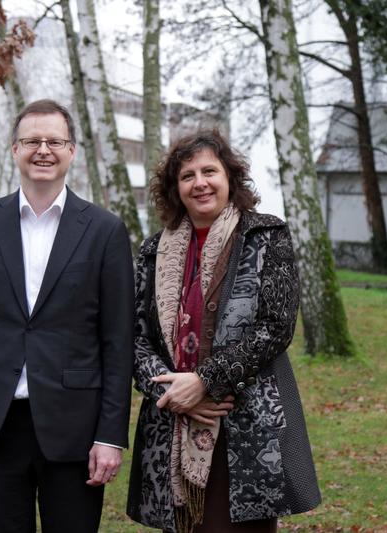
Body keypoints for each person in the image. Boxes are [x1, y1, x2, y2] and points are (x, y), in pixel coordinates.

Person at [0, 99, 134, 533]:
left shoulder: (105, 231)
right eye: (32, 140)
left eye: (55, 140)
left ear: (72, 151)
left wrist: (110, 435)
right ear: (14, 149)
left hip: (76, 430)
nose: (43, 149)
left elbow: (118, 343)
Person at [127, 130, 321, 533]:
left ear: (230, 178)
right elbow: (136, 338)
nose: (200, 183)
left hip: (245, 427)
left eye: (209, 171)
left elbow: (276, 327)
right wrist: (173, 394)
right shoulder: (151, 252)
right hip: (173, 428)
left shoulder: (265, 236)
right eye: (187, 175)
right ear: (174, 189)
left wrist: (205, 382)